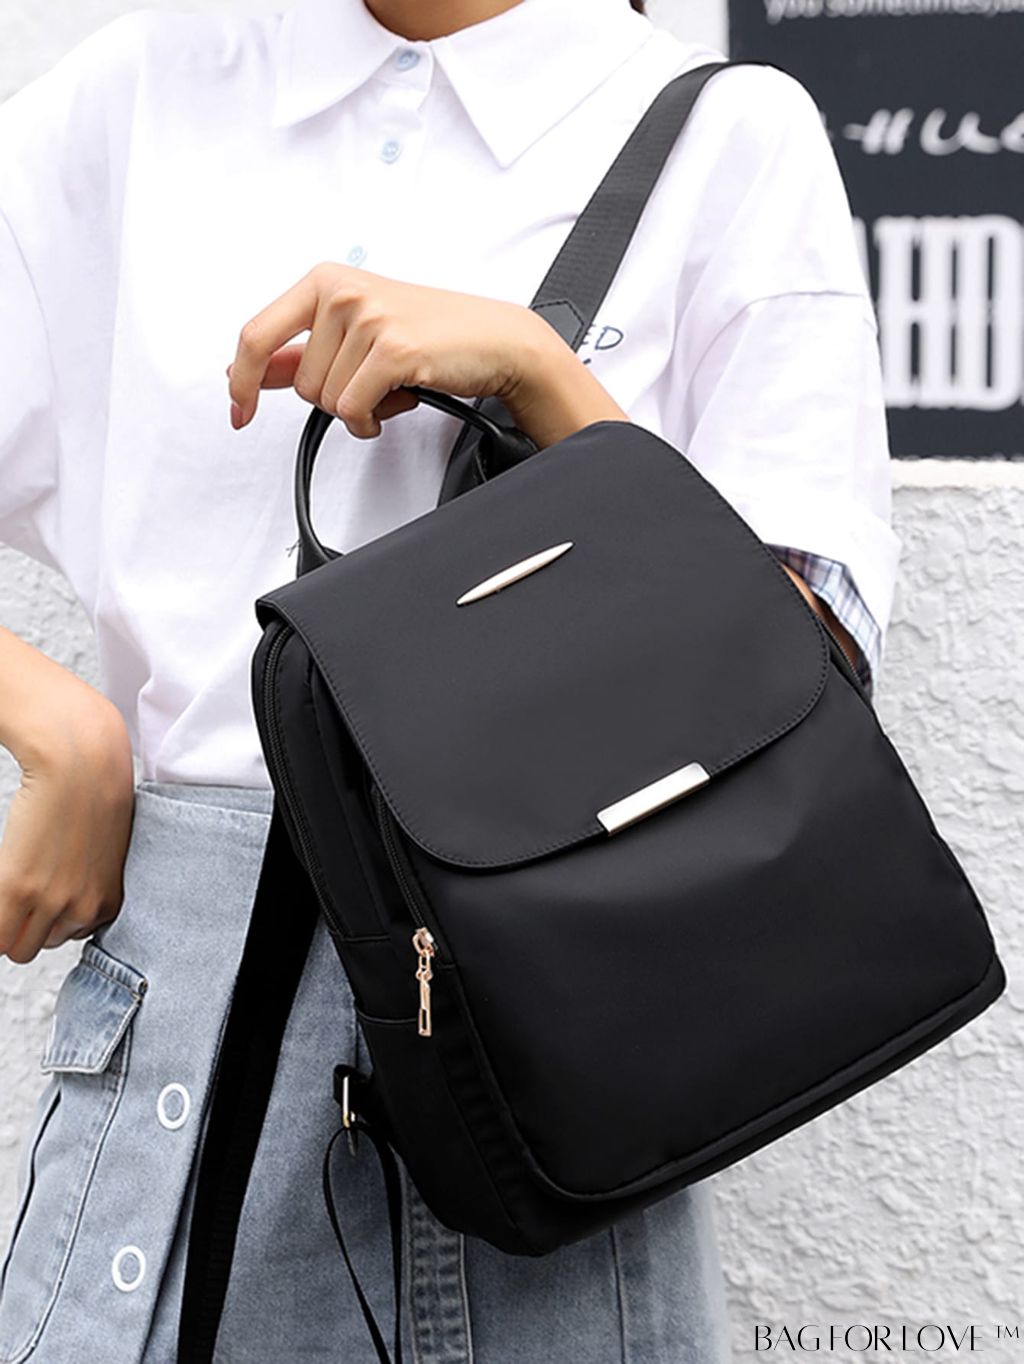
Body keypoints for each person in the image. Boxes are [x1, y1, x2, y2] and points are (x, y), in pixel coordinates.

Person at [0, 0, 900, 1358]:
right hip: (167, 1077)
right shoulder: (143, 90)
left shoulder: (727, 137)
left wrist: (542, 379)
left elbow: (801, 690)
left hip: (531, 1093)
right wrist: (58, 725)